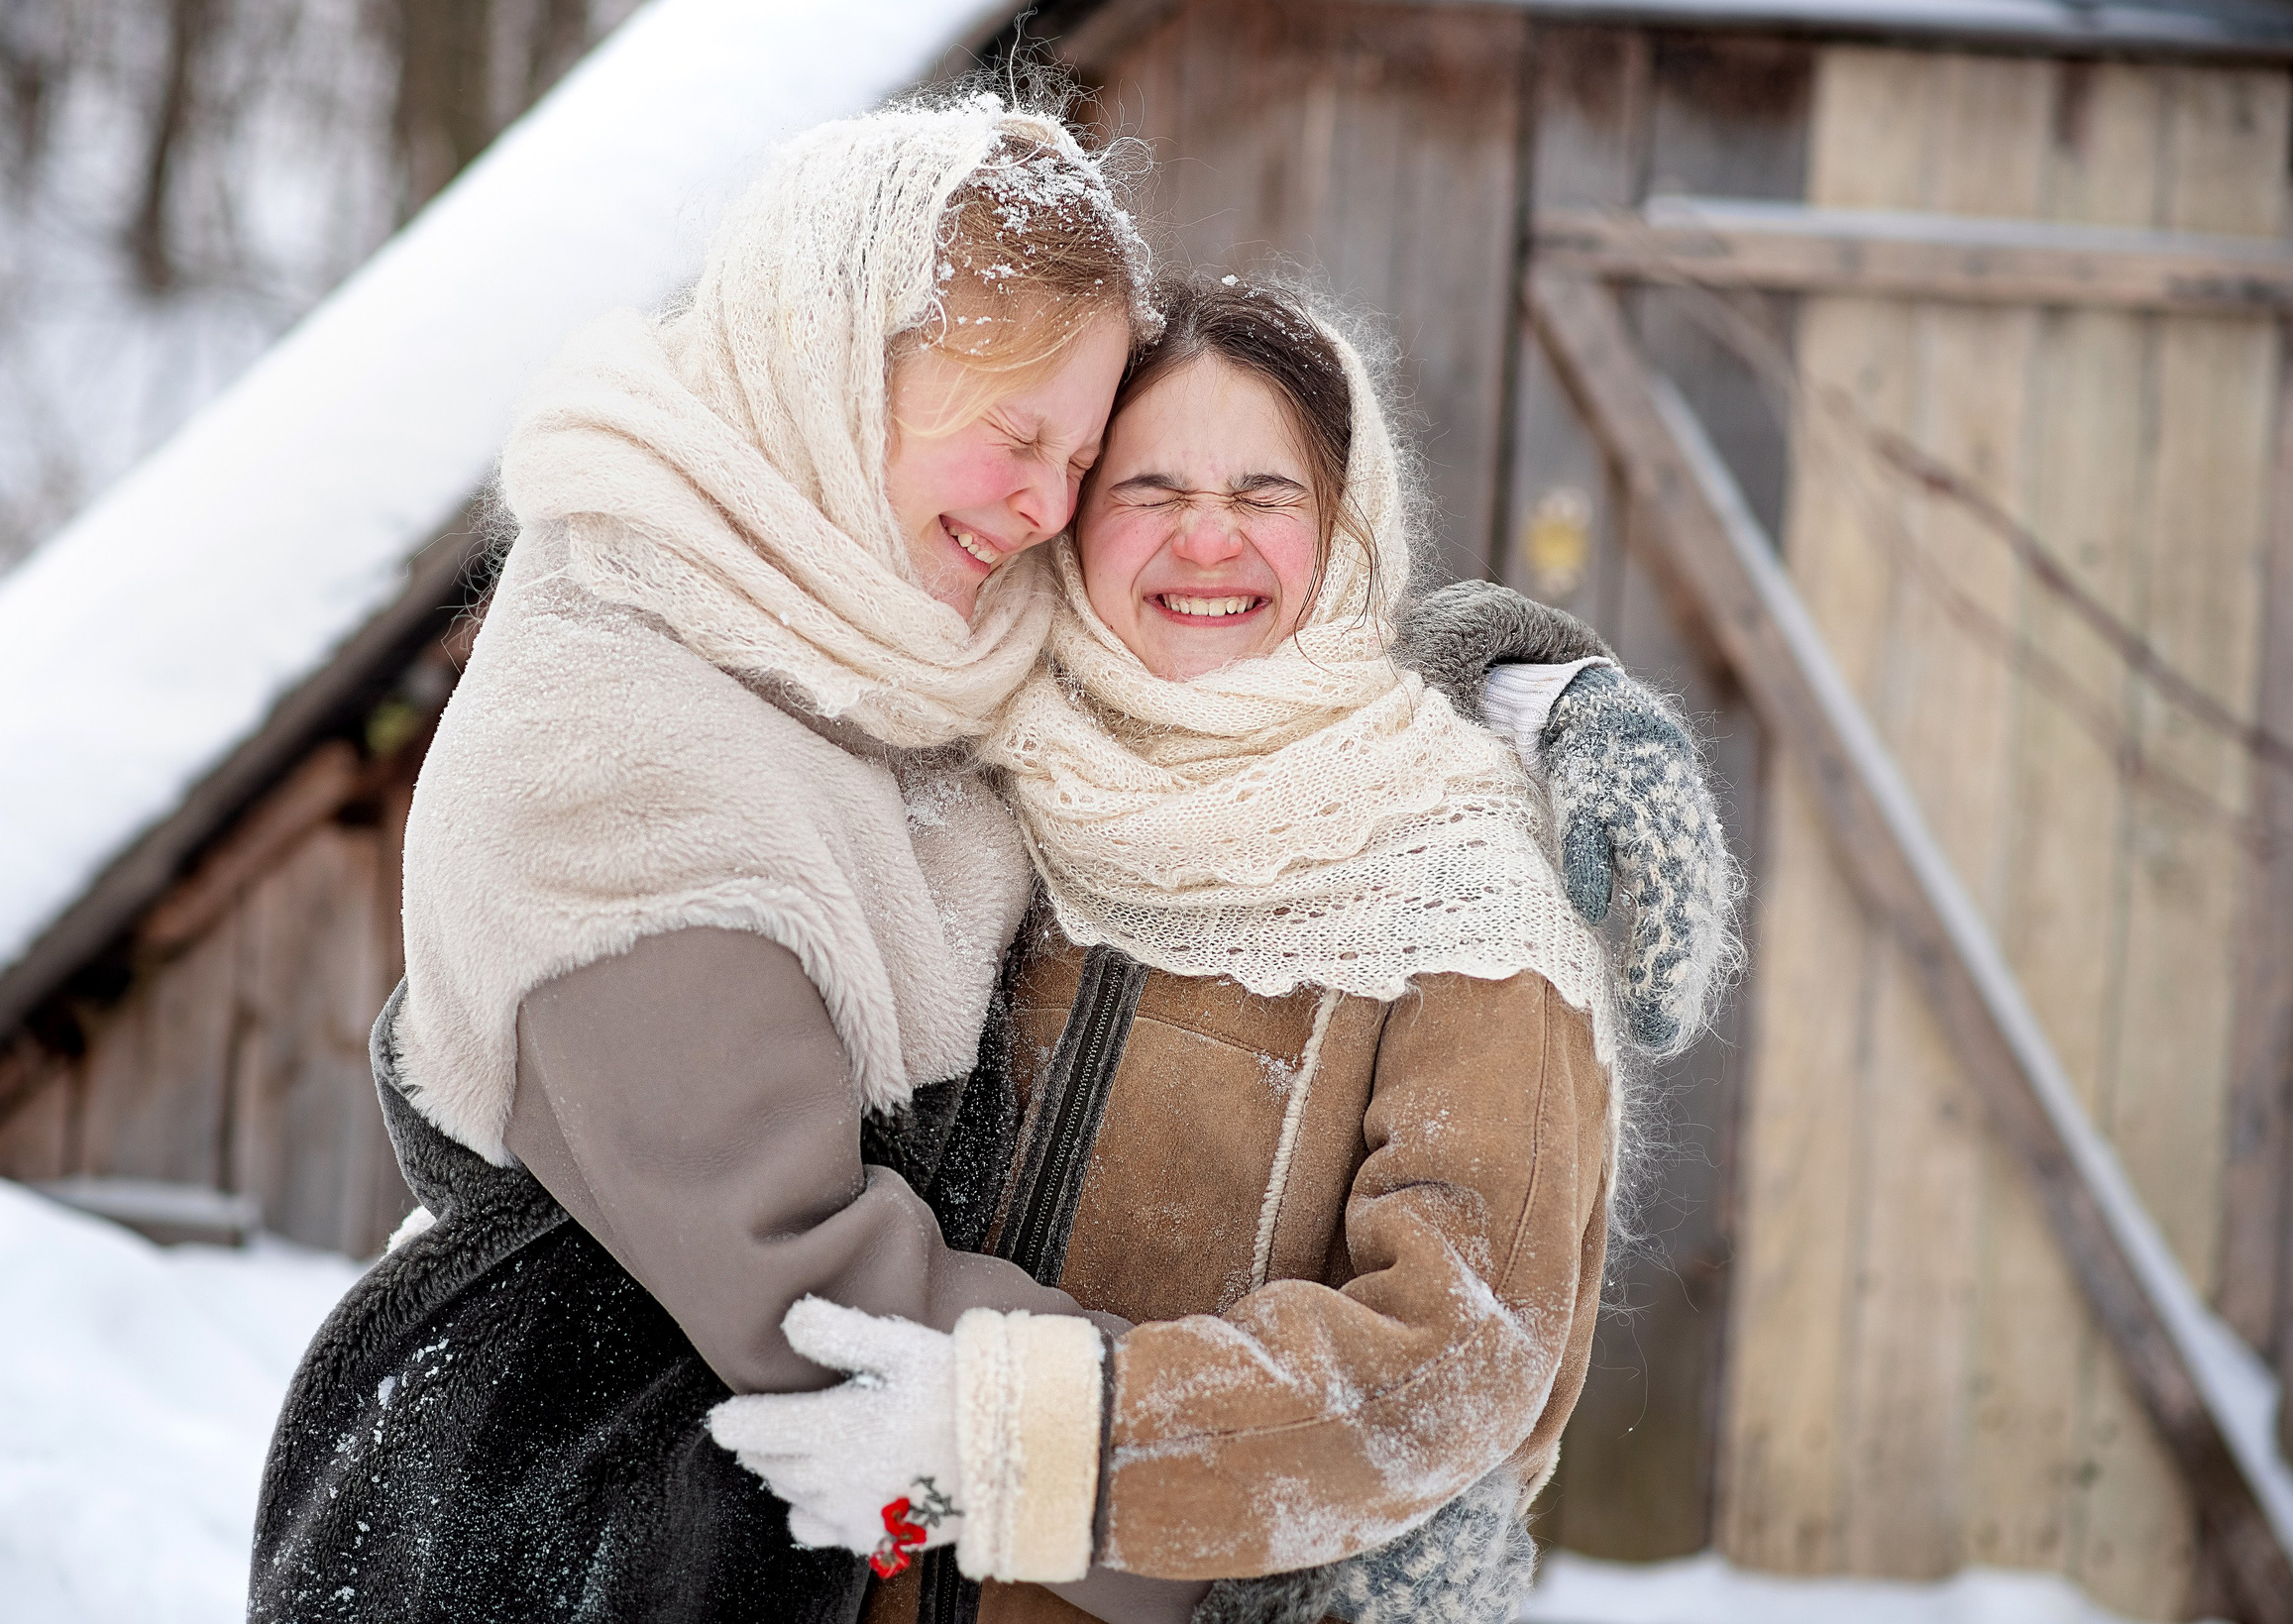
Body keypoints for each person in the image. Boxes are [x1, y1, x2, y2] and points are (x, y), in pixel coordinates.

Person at [250, 91, 1729, 1624]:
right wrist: (1250, 1544)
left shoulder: (912, 632)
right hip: (595, 1539)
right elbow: (808, 1300)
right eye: (1095, 470)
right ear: (835, 366)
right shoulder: (635, 743)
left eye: (1078, 460)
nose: (1050, 506)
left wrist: (1531, 677)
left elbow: (1278, 649)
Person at [710, 277, 1706, 1624]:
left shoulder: (1460, 880)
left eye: (1264, 493)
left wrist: (1021, 1435)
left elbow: (1459, 1350)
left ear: (1345, 528)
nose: (1206, 540)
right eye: (1150, 489)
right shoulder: (964, 767)